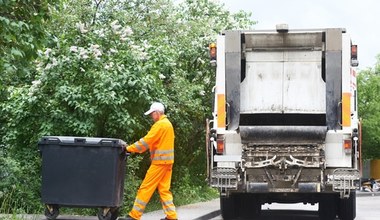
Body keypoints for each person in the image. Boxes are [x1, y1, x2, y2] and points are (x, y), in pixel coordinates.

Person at [123, 102, 178, 220]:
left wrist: (128, 148)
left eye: (152, 114)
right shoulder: (168, 124)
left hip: (160, 163)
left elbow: (146, 142)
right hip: (167, 162)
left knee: (145, 188)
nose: (151, 116)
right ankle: (172, 216)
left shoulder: (160, 125)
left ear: (157, 113)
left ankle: (134, 215)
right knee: (164, 190)